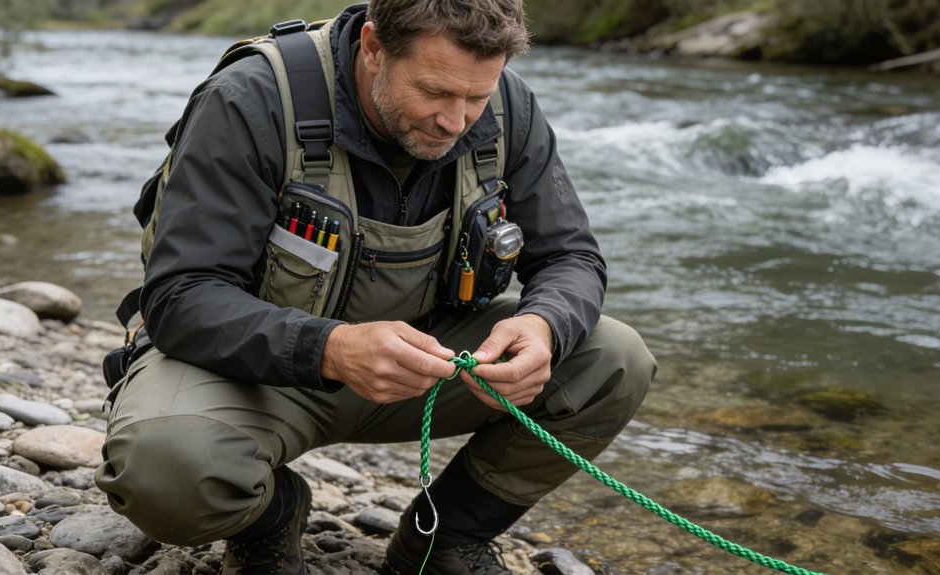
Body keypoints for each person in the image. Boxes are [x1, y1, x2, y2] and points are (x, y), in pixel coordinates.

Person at [94, 1, 657, 574]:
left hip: (429, 365)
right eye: (434, 92)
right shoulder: (250, 99)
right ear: (372, 47)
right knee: (163, 471)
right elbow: (180, 296)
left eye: (476, 98)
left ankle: (445, 540)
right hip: (255, 370)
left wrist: (543, 327)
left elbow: (572, 256)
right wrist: (332, 349)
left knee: (614, 359)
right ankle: (271, 515)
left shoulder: (509, 106)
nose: (456, 121)